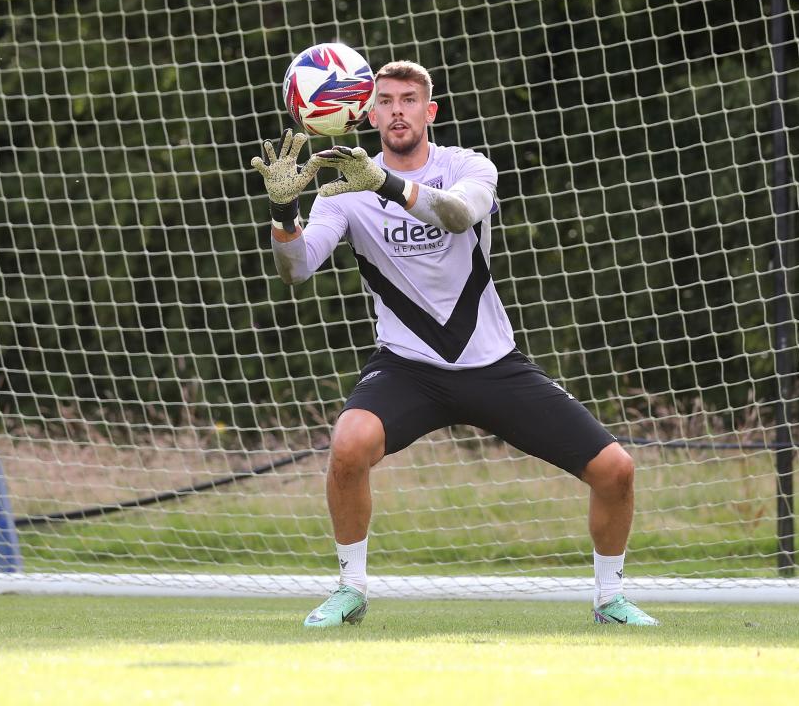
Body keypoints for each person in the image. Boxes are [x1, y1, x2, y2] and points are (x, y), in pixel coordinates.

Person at [250, 60, 658, 628]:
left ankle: (610, 599)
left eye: (409, 99)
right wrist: (282, 211)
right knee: (348, 444)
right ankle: (350, 589)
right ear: (365, 112)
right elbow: (296, 269)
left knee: (616, 469)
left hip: (492, 364)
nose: (397, 109)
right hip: (408, 367)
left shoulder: (468, 166)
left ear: (429, 111)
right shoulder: (341, 194)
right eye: (386, 99)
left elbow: (461, 215)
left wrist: (386, 184)